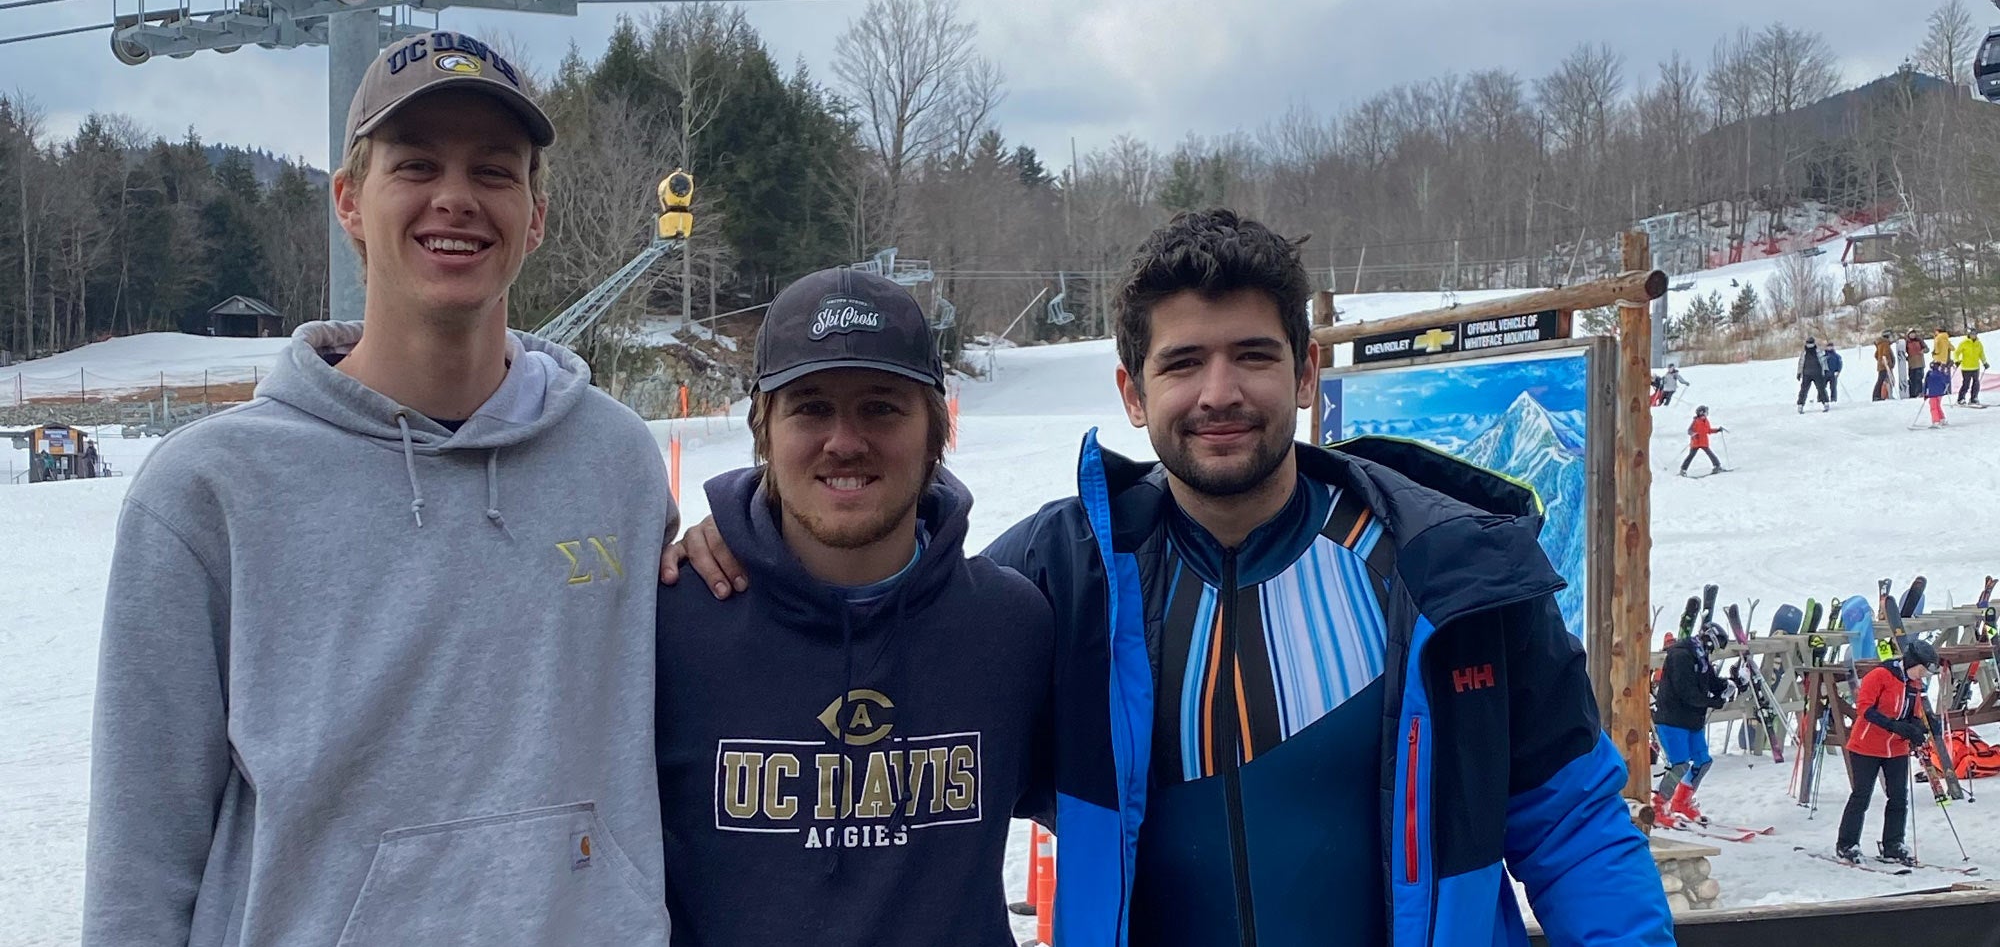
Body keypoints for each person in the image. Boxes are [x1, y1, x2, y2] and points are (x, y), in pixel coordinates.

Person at [667, 210, 1674, 946]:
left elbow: (1575, 826)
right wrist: (747, 544)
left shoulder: (1447, 572)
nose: (1218, 393)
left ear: (1305, 373)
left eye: (1253, 357)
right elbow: (882, 612)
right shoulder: (1057, 579)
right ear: (1131, 391)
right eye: (1183, 363)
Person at [83, 32, 676, 946]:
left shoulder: (617, 463)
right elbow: (140, 861)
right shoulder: (209, 491)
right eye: (416, 164)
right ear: (350, 203)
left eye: (494, 170)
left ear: (535, 217)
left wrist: (744, 536)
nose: (456, 197)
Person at [652, 267, 1053, 947]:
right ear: (763, 429)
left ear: (935, 430)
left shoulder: (1011, 628)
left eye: (881, 407)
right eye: (810, 408)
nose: (844, 441)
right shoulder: (669, 625)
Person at [1837, 640, 1944, 866]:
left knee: (1898, 796)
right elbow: (1864, 709)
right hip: (1867, 745)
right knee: (1861, 795)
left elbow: (1912, 713)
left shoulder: (1915, 685)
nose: (1923, 676)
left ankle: (1893, 844)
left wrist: (1922, 726)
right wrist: (1894, 726)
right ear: (1912, 663)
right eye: (1922, 670)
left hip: (1896, 748)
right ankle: (1847, 844)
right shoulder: (1880, 675)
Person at [1651, 622, 1735, 824]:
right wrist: (1713, 701)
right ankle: (1658, 805)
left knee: (1703, 761)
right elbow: (1687, 692)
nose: (1712, 652)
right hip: (1673, 719)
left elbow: (1710, 682)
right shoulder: (1681, 655)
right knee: (1679, 765)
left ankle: (1681, 802)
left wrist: (1729, 685)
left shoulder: (1699, 655)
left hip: (1691, 720)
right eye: (1713, 647)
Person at [1680, 405, 1725, 476]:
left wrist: (1717, 430)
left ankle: (1717, 466)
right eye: (1706, 412)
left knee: (1710, 454)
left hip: (1704, 442)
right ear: (1701, 413)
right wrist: (1693, 434)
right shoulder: (1696, 421)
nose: (1707, 414)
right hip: (1696, 442)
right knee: (1691, 456)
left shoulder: (1706, 421)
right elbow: (1689, 430)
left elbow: (1708, 430)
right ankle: (1683, 470)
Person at [1797, 336, 1831, 413]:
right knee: (1817, 389)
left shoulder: (1815, 351)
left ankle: (1801, 405)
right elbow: (1823, 360)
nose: (1809, 345)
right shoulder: (1808, 352)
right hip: (1810, 374)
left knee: (1817, 389)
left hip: (1813, 373)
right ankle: (1801, 404)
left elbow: (1801, 363)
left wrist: (1799, 372)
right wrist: (1799, 372)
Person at [1955, 328, 1988, 406]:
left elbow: (1981, 354)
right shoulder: (1964, 343)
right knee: (1966, 384)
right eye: (1972, 334)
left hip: (1975, 367)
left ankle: (1974, 398)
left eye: (1975, 334)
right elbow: (1956, 353)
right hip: (1966, 367)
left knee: (1976, 383)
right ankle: (1961, 399)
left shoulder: (1979, 344)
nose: (1973, 335)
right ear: (1969, 335)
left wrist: (1985, 362)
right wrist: (1957, 360)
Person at [1925, 359, 1953, 427]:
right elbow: (1947, 381)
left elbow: (1926, 384)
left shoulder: (1929, 374)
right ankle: (1941, 419)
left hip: (1932, 393)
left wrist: (1925, 393)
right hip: (1940, 393)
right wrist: (1947, 370)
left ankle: (1936, 421)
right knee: (1937, 405)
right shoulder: (1941, 373)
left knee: (1933, 407)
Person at [1905, 329, 1928, 399]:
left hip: (1920, 363)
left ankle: (1919, 392)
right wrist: (1906, 358)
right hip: (1912, 364)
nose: (1913, 335)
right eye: (1911, 334)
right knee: (1912, 379)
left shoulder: (1919, 340)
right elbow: (1903, 352)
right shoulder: (1907, 342)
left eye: (1914, 334)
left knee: (1919, 378)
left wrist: (1923, 350)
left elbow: (1927, 349)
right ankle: (1912, 393)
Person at [1873, 331, 1894, 402]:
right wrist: (1885, 361)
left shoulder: (1880, 344)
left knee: (1881, 380)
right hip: (1885, 365)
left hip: (1881, 365)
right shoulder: (1885, 343)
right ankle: (1877, 395)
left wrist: (1879, 360)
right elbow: (1885, 354)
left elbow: (1876, 355)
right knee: (1882, 380)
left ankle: (1878, 395)